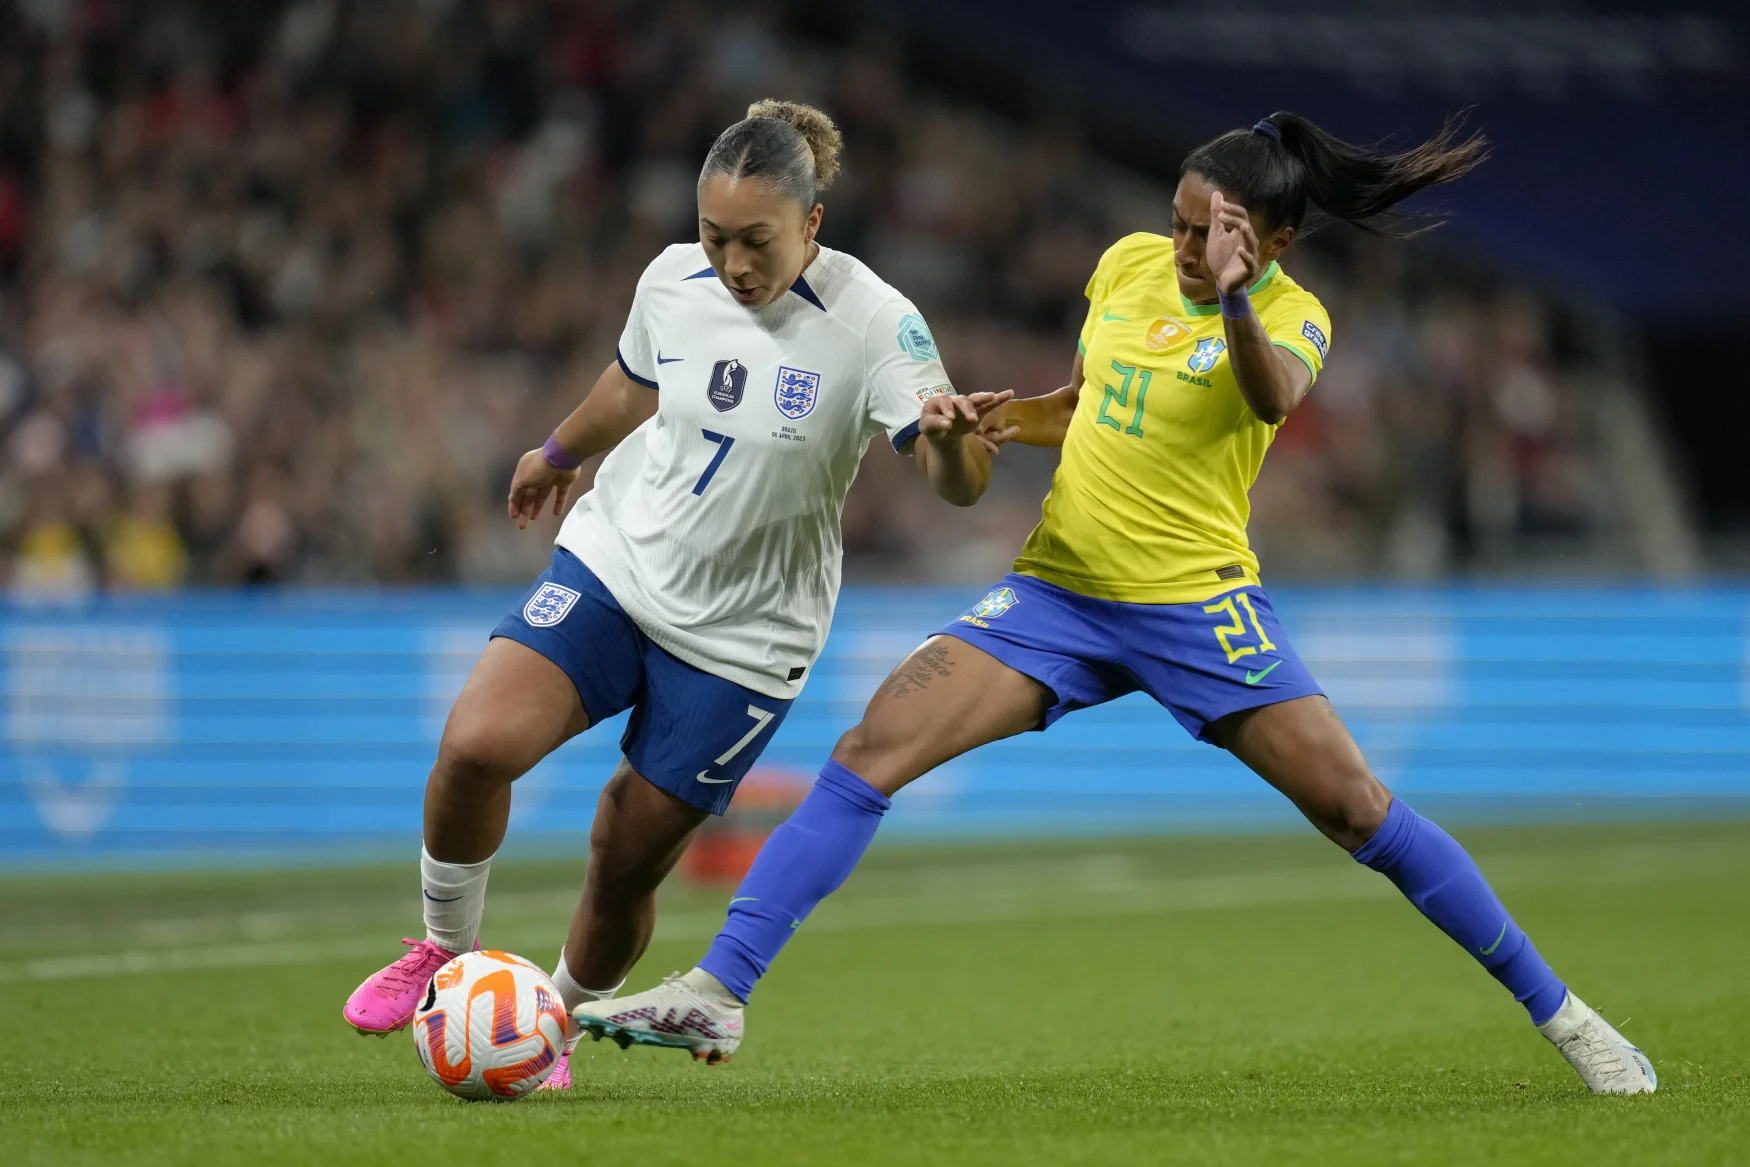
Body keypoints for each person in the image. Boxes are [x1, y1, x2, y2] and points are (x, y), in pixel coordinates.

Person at [576, 112, 1657, 1095]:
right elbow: (1095, 400)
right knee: (867, 750)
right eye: (1180, 227)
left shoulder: (1292, 315)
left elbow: (1265, 396)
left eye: (1211, 236)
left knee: (1357, 810)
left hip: (1195, 609)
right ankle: (718, 993)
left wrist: (1232, 293)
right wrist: (1003, 421)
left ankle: (1565, 1018)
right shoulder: (1127, 267)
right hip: (1056, 594)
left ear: (1271, 242)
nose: (1184, 250)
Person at [341, 99, 1016, 1091]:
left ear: (812, 225)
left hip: (746, 640)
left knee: (623, 853)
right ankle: (443, 951)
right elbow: (633, 383)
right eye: (716, 237)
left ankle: (547, 1031)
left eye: (758, 241)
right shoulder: (670, 276)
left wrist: (956, 437)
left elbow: (957, 484)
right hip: (620, 563)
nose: (734, 263)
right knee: (477, 745)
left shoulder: (878, 321)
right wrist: (559, 451)